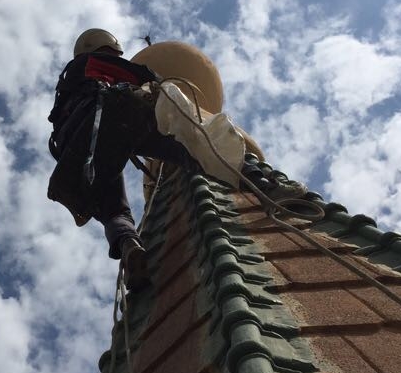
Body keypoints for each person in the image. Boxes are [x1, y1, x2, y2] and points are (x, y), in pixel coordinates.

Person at [47, 28, 305, 291]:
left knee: (112, 207)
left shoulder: (66, 90)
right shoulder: (91, 62)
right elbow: (136, 75)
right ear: (106, 47)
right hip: (117, 113)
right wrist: (153, 78)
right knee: (191, 143)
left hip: (78, 152)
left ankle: (128, 245)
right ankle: (261, 182)